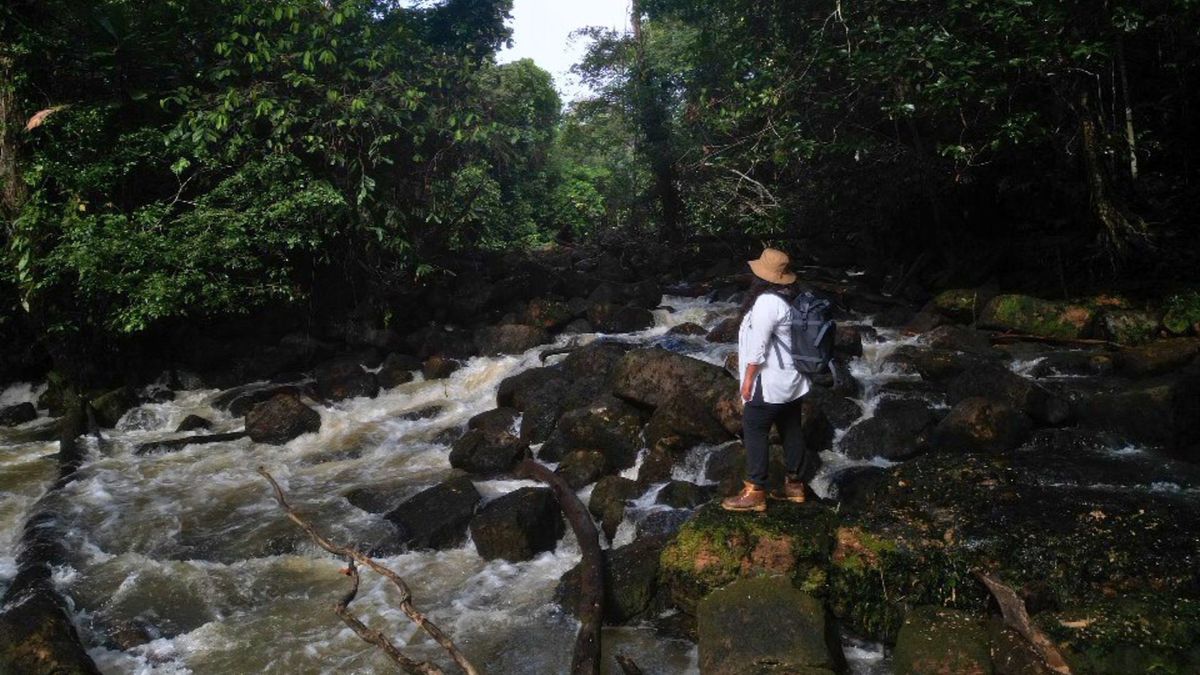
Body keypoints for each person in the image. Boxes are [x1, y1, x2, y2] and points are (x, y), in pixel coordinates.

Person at [721, 248, 816, 512]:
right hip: (794, 379)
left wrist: (747, 381)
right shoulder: (792, 297)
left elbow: (758, 348)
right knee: (791, 428)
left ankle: (755, 491)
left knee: (754, 428)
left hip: (771, 380)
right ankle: (795, 486)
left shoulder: (766, 302)